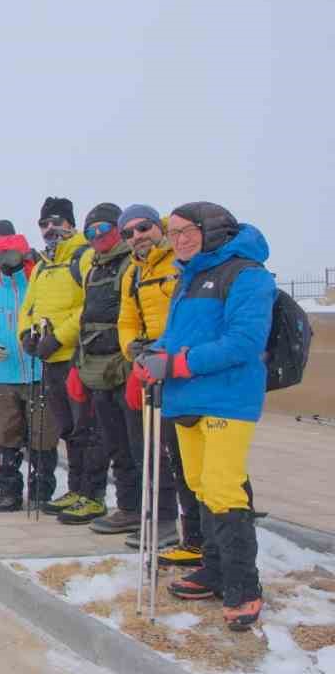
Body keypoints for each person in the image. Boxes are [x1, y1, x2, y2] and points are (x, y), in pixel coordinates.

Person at [138, 203, 275, 631]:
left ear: (212, 229)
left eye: (186, 231)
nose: (178, 239)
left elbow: (244, 341)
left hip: (227, 399)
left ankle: (243, 586)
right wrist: (153, 351)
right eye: (172, 232)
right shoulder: (190, 275)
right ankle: (214, 569)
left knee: (221, 485)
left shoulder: (246, 274)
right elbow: (178, 336)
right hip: (188, 398)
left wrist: (178, 363)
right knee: (198, 484)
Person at [116, 206, 190, 558]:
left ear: (157, 226)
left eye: (142, 227)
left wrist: (164, 348)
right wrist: (133, 350)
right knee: (152, 448)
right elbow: (127, 320)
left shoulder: (181, 261)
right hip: (148, 367)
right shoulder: (133, 272)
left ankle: (197, 529)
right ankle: (162, 519)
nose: (136, 236)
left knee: (184, 452)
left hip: (182, 366)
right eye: (128, 233)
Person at [19, 197, 96, 516]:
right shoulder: (41, 265)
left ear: (70, 223)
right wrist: (25, 333)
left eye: (55, 222)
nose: (49, 229)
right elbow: (28, 306)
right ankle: (75, 489)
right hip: (48, 357)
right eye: (43, 224)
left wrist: (60, 337)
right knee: (66, 427)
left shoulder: (85, 256)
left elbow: (91, 304)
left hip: (75, 356)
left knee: (85, 427)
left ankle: (92, 493)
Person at [70, 203, 142, 532]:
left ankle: (150, 511)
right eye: (91, 232)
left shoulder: (132, 264)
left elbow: (136, 317)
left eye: (104, 229)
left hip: (127, 366)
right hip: (98, 368)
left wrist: (135, 364)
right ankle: (129, 507)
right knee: (116, 444)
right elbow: (86, 319)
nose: (98, 237)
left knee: (137, 443)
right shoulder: (94, 269)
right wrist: (77, 364)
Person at [0, 235, 56, 512]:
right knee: (7, 434)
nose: (6, 260)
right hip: (5, 376)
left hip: (38, 372)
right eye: (1, 255)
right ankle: (9, 491)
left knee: (42, 435)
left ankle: (41, 490)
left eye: (12, 254)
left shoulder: (39, 287)